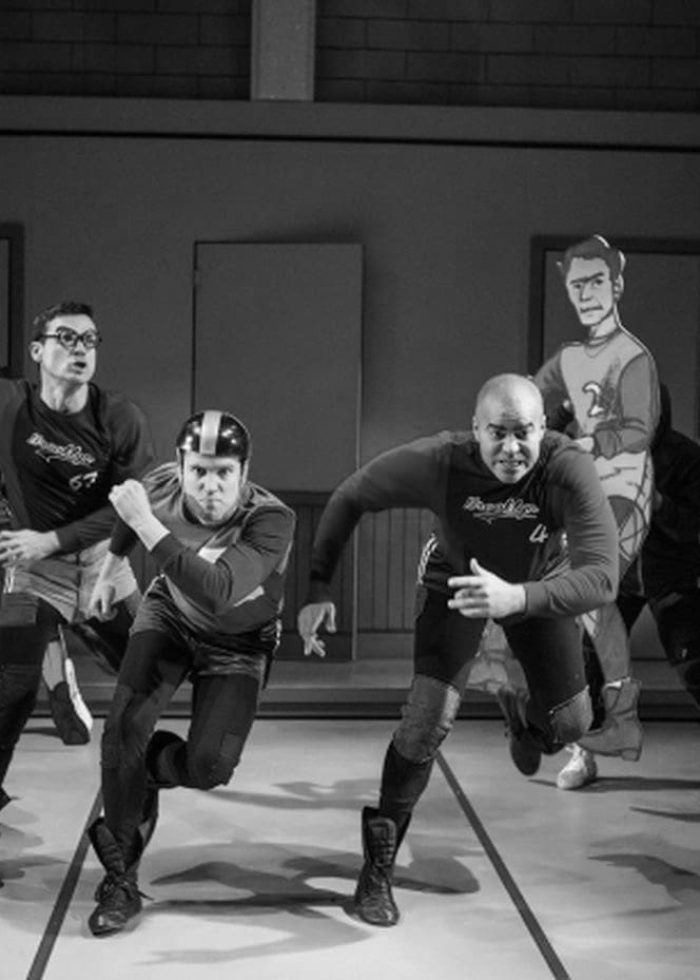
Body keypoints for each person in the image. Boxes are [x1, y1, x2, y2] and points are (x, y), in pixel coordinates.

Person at [297, 373, 619, 927]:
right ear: (476, 429)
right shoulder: (441, 461)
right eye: (498, 433)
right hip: (458, 585)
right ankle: (376, 870)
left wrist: (518, 597)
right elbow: (351, 494)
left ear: (544, 429)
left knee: (572, 724)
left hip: (534, 587)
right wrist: (319, 587)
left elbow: (604, 577)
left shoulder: (567, 468)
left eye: (524, 433)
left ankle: (525, 723)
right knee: (426, 723)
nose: (511, 448)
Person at [86, 410, 295, 937]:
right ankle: (120, 878)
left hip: (240, 642)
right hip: (171, 617)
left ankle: (151, 767)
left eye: (223, 472)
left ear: (244, 473)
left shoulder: (272, 519)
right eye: (198, 471)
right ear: (180, 468)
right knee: (123, 728)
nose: (209, 485)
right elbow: (129, 511)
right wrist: (111, 568)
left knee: (209, 767)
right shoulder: (161, 486)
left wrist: (145, 525)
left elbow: (218, 590)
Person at [0, 300, 153, 815]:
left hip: (103, 566)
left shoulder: (120, 418)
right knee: (11, 688)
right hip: (32, 572)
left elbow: (127, 509)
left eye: (89, 340)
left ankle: (136, 787)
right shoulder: (9, 405)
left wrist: (53, 539)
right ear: (36, 351)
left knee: (146, 669)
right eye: (66, 337)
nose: (80, 348)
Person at [534, 235, 660, 790]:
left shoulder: (634, 357)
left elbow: (637, 431)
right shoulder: (568, 359)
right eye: (576, 285)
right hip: (584, 500)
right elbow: (527, 398)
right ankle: (604, 730)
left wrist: (584, 444)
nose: (585, 293)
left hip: (625, 493)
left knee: (587, 598)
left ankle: (614, 724)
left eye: (595, 281)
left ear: (617, 284)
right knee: (584, 610)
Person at [615, 383, 700, 718]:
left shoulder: (686, 458)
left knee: (693, 664)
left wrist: (659, 504)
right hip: (617, 577)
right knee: (587, 666)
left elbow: (694, 527)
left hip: (671, 579)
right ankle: (583, 742)